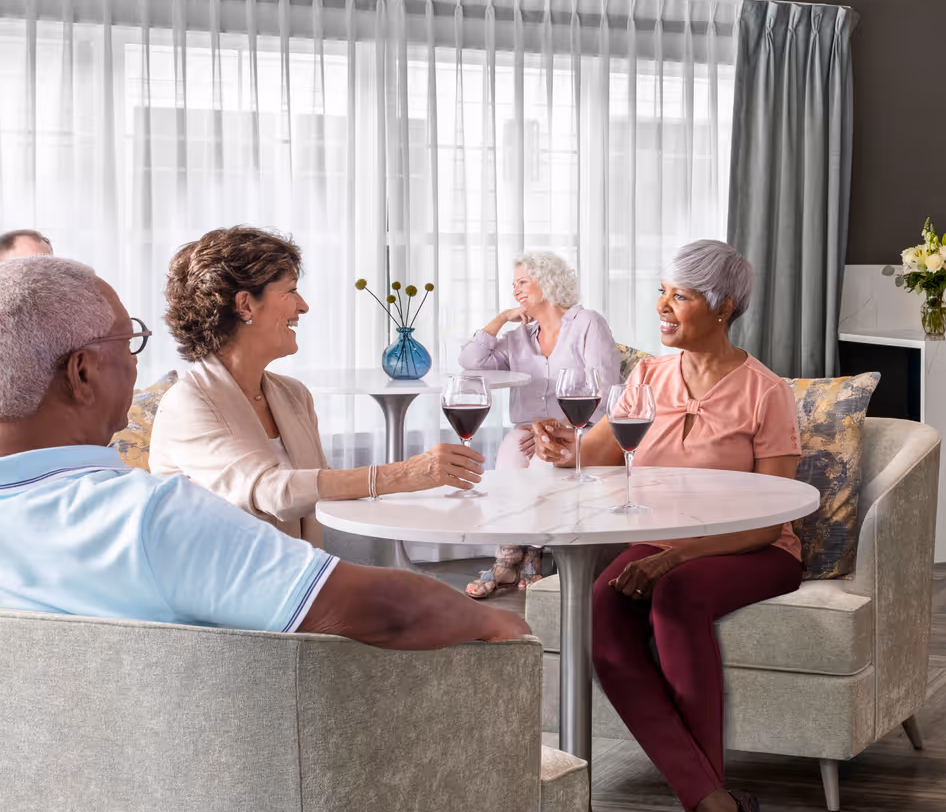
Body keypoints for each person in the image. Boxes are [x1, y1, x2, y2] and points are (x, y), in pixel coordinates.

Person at [0, 255, 527, 647]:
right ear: (83, 371)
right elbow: (390, 611)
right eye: (128, 342)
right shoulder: (147, 515)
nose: (137, 363)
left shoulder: (290, 395)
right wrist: (501, 623)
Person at [533, 240, 802, 812]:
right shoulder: (648, 378)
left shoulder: (766, 393)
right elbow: (592, 454)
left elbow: (771, 518)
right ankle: (712, 805)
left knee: (677, 596)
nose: (663, 306)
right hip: (658, 547)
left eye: (679, 295)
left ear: (725, 305)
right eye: (663, 291)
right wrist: (559, 445)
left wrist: (677, 555)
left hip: (753, 549)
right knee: (600, 608)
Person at [150, 227, 484, 544]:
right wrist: (405, 475)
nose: (303, 306)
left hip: (295, 581)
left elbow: (317, 499)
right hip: (217, 595)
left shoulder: (292, 395)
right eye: (291, 290)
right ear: (245, 305)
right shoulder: (188, 402)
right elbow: (273, 492)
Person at [459, 249, 622, 598]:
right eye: (513, 284)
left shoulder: (587, 323)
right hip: (526, 431)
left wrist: (556, 429)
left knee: (539, 463)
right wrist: (502, 317)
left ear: (547, 284)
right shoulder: (519, 337)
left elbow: (607, 391)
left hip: (578, 429)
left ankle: (530, 558)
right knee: (506, 460)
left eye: (522, 282)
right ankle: (510, 556)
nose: (516, 290)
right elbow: (471, 362)